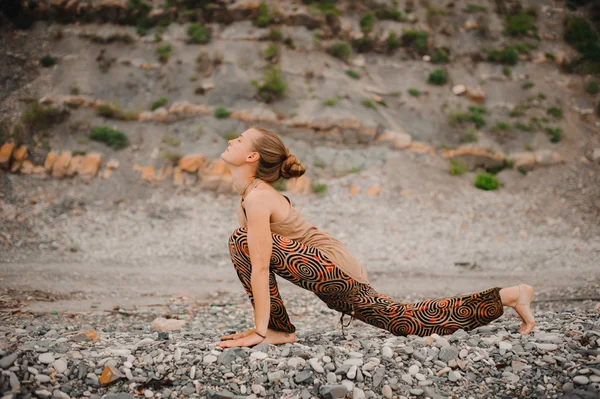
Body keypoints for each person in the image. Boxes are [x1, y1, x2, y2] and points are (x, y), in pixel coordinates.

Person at [215, 126, 536, 348]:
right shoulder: (247, 197)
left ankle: (276, 330)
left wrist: (260, 331)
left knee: (241, 241)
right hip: (325, 274)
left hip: (332, 265)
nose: (232, 139)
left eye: (241, 138)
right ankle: (509, 296)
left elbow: (259, 266)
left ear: (252, 157)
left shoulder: (258, 198)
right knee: (405, 322)